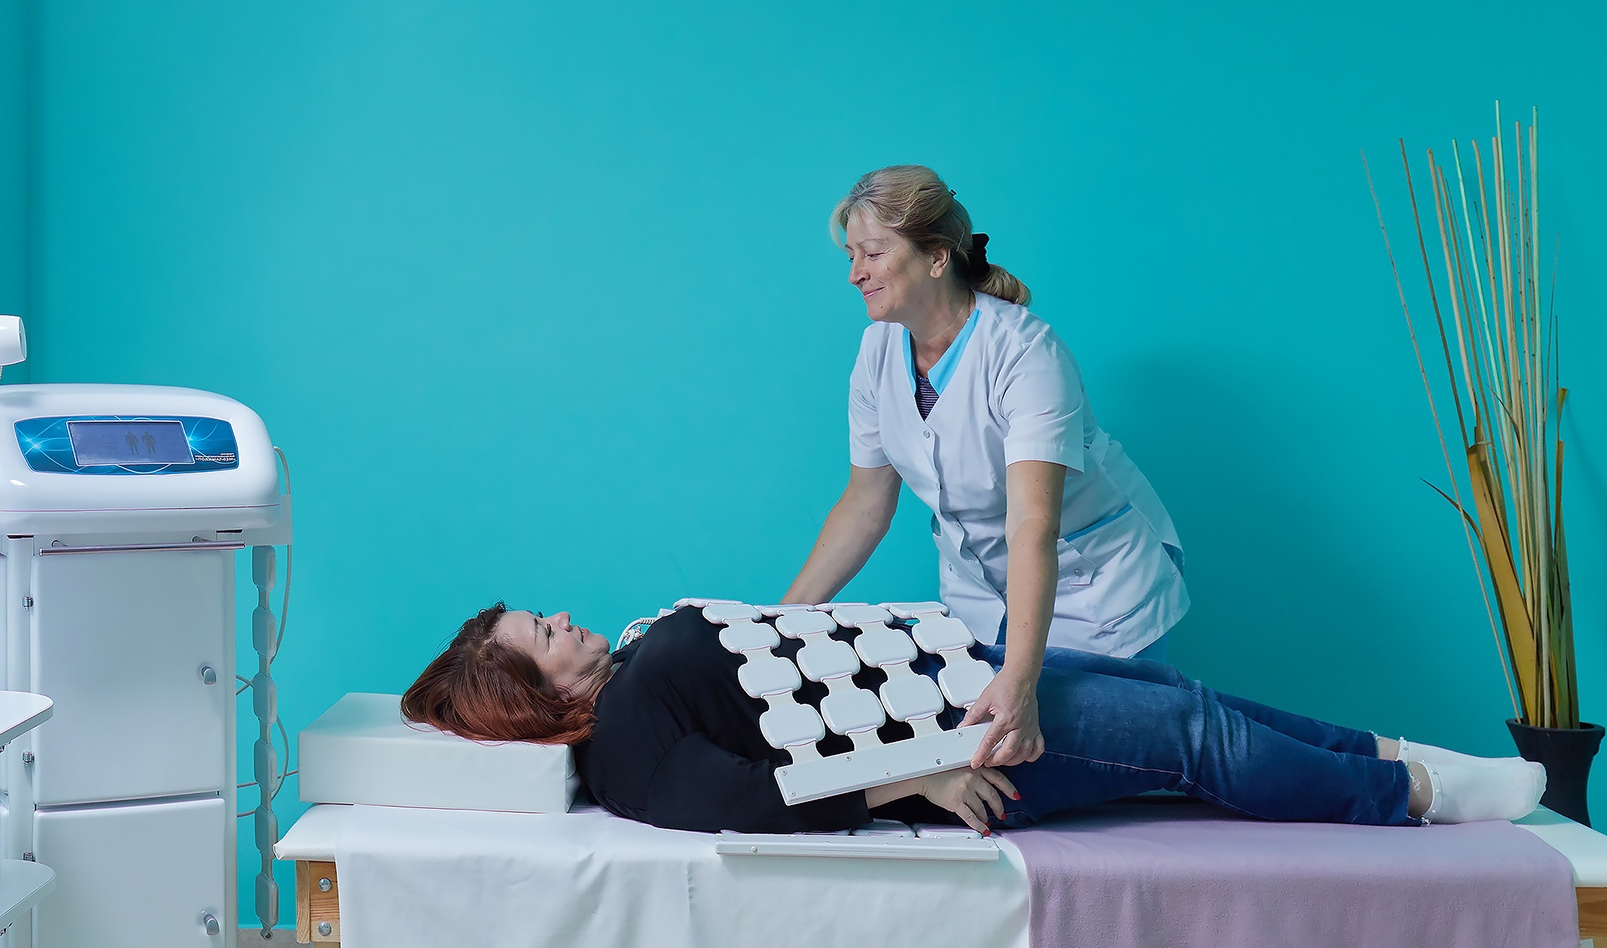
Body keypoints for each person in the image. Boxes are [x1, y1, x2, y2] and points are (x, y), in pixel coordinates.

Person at [402, 603, 1546, 837]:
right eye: (539, 633)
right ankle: (1417, 799)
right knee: (1192, 744)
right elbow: (747, 800)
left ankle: (1399, 754)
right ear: (533, 692)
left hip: (964, 668)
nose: (560, 617)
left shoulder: (630, 670)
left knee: (1183, 697)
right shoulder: (625, 752)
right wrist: (924, 776)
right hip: (959, 737)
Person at [785, 165, 1188, 771]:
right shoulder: (877, 352)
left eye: (872, 253)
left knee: (1127, 758)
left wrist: (1020, 682)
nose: (854, 274)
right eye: (851, 256)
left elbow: (1033, 523)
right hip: (981, 602)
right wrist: (777, 625)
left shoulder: (1025, 353)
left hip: (1096, 590)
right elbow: (865, 504)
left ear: (936, 257)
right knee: (982, 768)